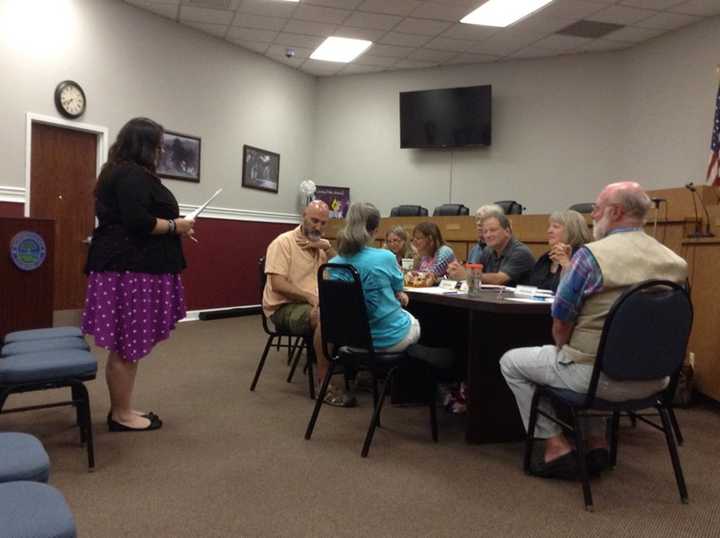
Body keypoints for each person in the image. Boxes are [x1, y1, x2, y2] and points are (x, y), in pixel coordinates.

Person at [500, 181, 688, 479]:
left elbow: (561, 321)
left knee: (512, 361)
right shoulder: (676, 262)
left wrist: (563, 347)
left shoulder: (590, 257)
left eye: (597, 209)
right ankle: (596, 443)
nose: (593, 216)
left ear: (615, 212)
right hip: (655, 380)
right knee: (595, 355)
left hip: (596, 379)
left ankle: (555, 447)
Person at [82, 117, 195, 432]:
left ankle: (123, 408)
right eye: (157, 145)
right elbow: (137, 222)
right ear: (144, 145)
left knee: (126, 345)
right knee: (126, 345)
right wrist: (177, 226)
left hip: (126, 267)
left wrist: (174, 228)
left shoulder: (120, 172)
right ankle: (121, 415)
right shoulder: (131, 175)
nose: (160, 151)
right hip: (130, 269)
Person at [262, 201, 350, 406]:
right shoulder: (283, 242)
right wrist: (310, 298)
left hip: (314, 303)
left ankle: (355, 373)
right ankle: (324, 384)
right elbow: (277, 284)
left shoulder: (320, 246)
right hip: (283, 306)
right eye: (314, 220)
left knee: (350, 312)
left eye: (323, 223)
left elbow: (343, 271)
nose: (318, 227)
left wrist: (327, 248)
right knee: (324, 318)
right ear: (303, 216)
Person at [331, 203, 421, 352]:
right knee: (413, 321)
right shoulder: (386, 257)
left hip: (350, 340)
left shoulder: (333, 264)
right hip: (389, 340)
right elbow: (399, 288)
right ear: (375, 231)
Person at [448, 213, 534, 286]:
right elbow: (475, 271)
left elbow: (499, 279)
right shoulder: (488, 250)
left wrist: (468, 276)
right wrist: (456, 270)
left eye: (493, 230)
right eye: (485, 232)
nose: (488, 235)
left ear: (507, 231)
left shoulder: (520, 252)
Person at [524, 210, 592, 291]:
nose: (549, 231)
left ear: (571, 231)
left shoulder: (584, 257)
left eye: (555, 227)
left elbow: (577, 290)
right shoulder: (545, 258)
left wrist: (566, 264)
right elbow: (531, 288)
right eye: (550, 226)